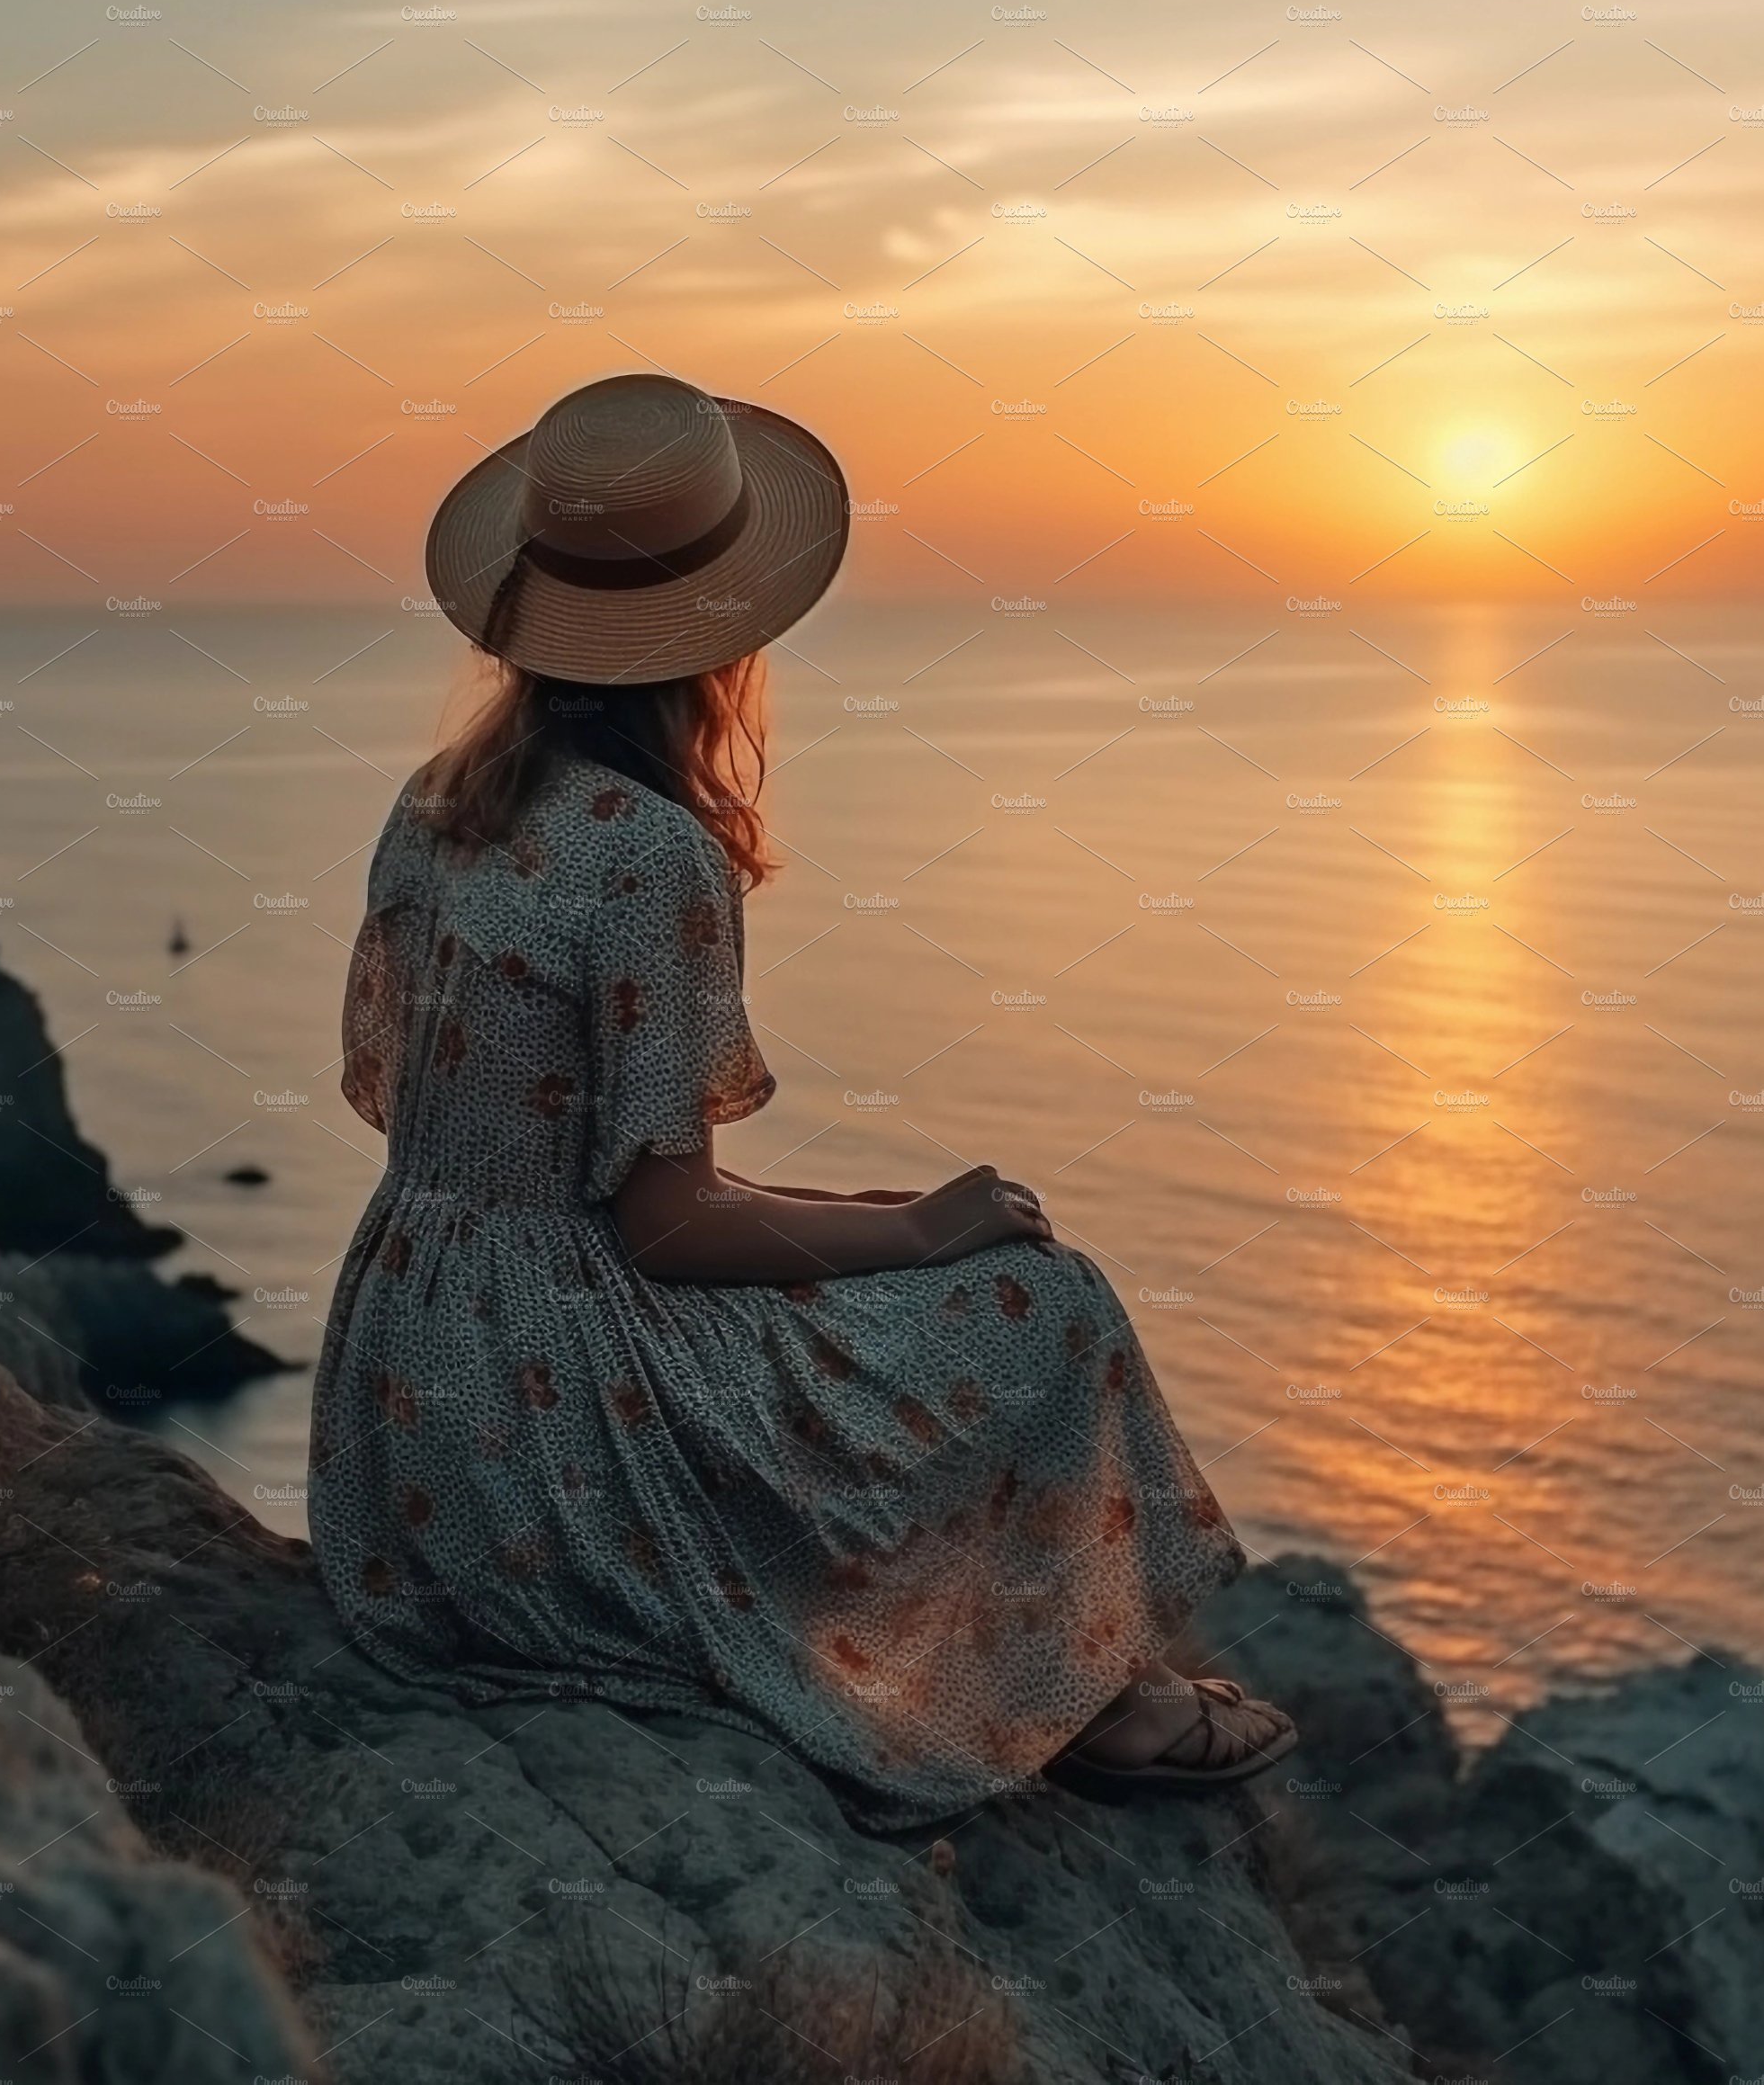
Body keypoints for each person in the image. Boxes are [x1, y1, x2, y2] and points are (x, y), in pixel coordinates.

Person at [309, 372, 1294, 1827]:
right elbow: (661, 1225)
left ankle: (1075, 1677)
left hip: (405, 1422)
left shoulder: (437, 800)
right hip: (545, 1427)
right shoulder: (650, 858)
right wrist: (914, 1237)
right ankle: (1092, 1698)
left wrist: (885, 1211)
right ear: (725, 630)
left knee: (904, 1277)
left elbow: (423, 1113)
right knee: (1047, 1300)